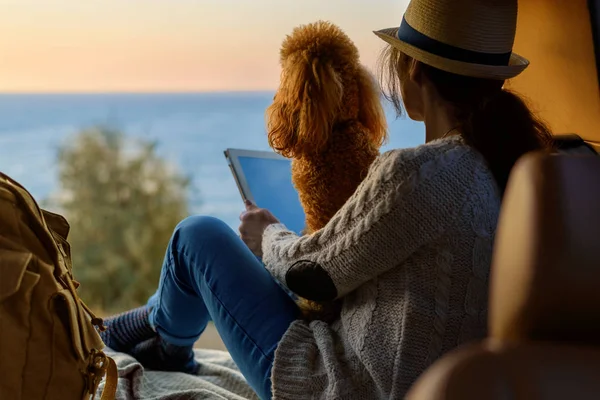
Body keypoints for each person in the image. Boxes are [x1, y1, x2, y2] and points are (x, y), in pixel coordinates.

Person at [98, 0, 553, 399]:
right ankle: (158, 332)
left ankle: (155, 337)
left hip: (343, 388)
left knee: (197, 236)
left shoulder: (421, 172)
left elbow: (311, 274)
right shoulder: (516, 167)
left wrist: (266, 234)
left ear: (413, 69)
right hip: (427, 382)